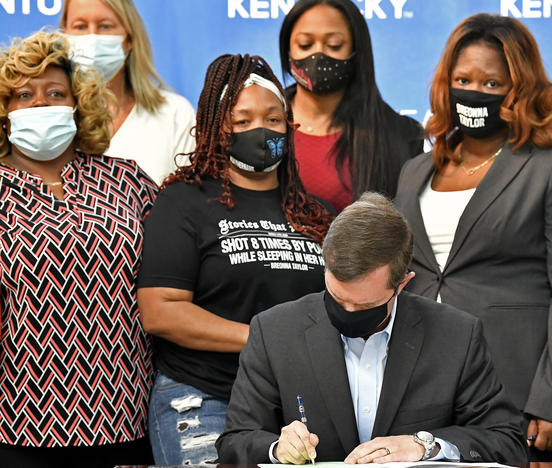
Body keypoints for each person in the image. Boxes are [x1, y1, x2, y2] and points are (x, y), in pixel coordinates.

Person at [394, 14, 552, 462]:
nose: (475, 92)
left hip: (517, 390)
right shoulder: (415, 171)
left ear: (518, 90)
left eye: (492, 84)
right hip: (418, 389)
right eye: (463, 79)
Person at [216, 192, 527, 464]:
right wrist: (276, 448)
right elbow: (235, 441)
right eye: (337, 298)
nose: (348, 311)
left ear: (403, 284)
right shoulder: (275, 332)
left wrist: (425, 445)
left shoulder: (456, 335)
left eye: (365, 306)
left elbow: (506, 442)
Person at [137, 53, 335, 465]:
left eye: (273, 119)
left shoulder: (316, 215)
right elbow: (161, 311)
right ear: (217, 129)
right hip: (203, 398)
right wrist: (263, 340)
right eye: (242, 121)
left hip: (295, 407)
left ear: (289, 126)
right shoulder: (184, 201)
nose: (259, 130)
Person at [0, 31, 157, 467]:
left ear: (77, 105)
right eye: (22, 95)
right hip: (18, 426)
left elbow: (171, 281)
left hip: (131, 418)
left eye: (55, 93)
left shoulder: (128, 181)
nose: (39, 103)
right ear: (5, 110)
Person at [278, 0, 424, 212]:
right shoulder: (254, 127)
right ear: (287, 49)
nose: (318, 55)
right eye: (305, 45)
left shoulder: (402, 136)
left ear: (356, 51)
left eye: (335, 45)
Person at [61, 0, 195, 184]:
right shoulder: (53, 118)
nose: (92, 38)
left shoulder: (175, 114)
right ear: (65, 34)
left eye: (105, 26)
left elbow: (189, 203)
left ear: (129, 38)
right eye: (80, 26)